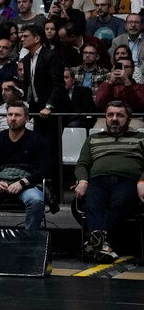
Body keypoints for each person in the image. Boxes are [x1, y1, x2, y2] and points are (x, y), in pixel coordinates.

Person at [74, 100, 144, 263]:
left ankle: (97, 243)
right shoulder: (93, 138)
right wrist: (83, 180)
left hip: (129, 181)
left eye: (120, 115)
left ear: (128, 119)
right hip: (97, 180)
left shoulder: (140, 138)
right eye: (110, 114)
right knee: (92, 204)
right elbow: (82, 164)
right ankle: (104, 247)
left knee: (117, 204)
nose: (114, 118)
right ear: (105, 117)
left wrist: (142, 181)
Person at [0, 100, 50, 230]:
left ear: (27, 118)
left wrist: (23, 182)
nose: (13, 118)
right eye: (10, 114)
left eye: (17, 115)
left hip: (26, 185)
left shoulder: (37, 140)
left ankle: (29, 238)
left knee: (36, 200)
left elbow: (45, 168)